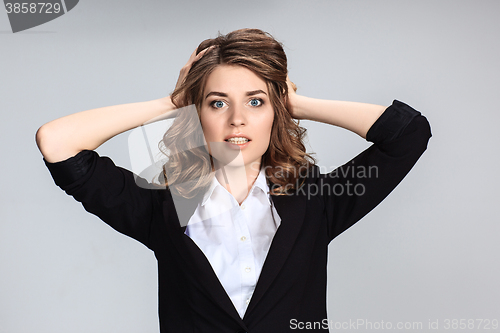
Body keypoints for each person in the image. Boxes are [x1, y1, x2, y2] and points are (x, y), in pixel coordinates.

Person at [36, 28, 431, 332]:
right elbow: (57, 142)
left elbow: (408, 134)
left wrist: (295, 105)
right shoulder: (159, 208)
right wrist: (173, 101)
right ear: (198, 112)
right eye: (217, 102)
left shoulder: (317, 200)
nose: (237, 118)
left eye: (256, 102)